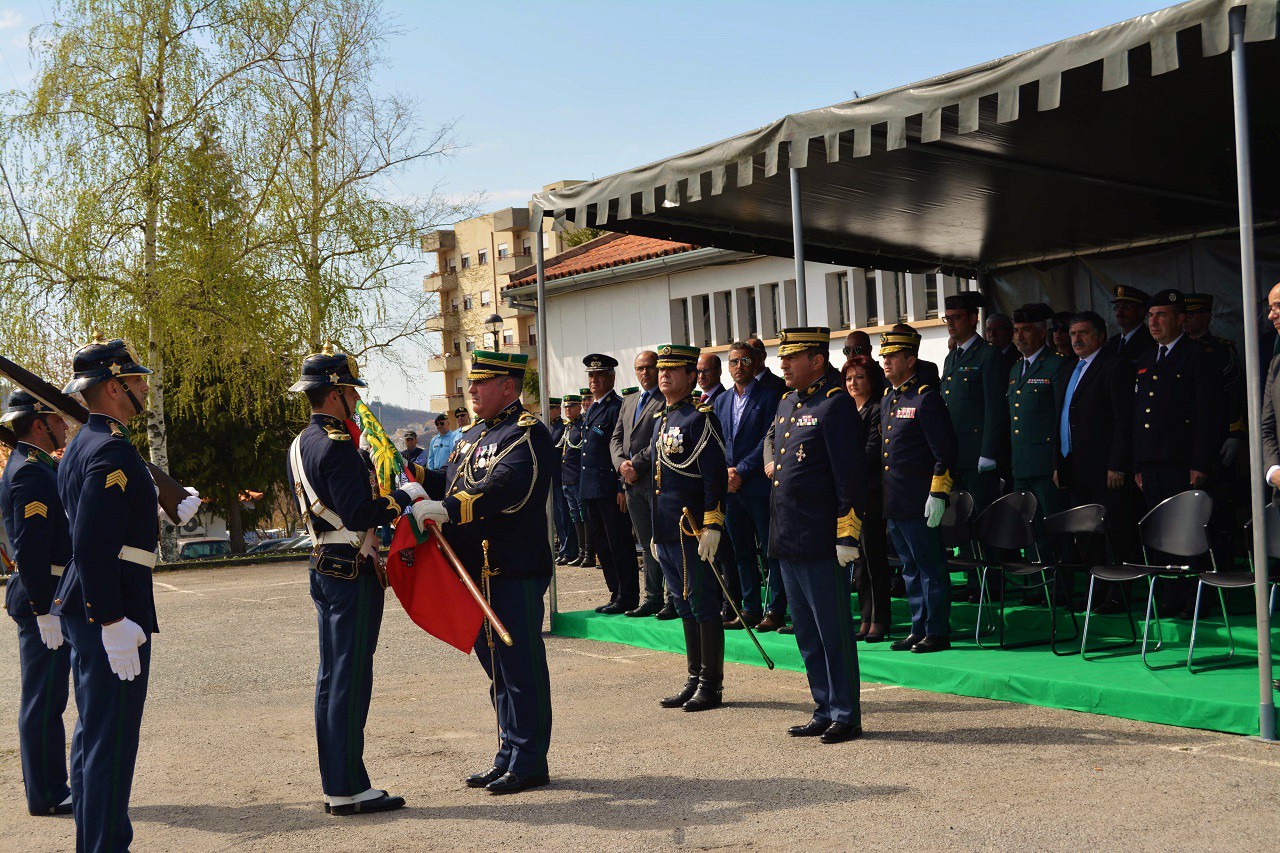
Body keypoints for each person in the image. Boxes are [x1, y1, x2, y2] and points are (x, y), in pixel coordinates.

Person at [53, 336, 201, 847]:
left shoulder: (86, 445)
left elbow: (104, 524)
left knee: (95, 735)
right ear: (115, 387)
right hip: (109, 603)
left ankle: (99, 840)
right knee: (111, 740)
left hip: (95, 598)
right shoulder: (111, 450)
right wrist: (111, 619)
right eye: (138, 380)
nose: (145, 388)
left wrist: (156, 507)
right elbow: (93, 543)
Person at [411, 349, 555, 795]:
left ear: (508, 387)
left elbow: (507, 488)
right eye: (472, 383)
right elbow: (450, 481)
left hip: (511, 568)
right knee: (497, 669)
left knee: (520, 667)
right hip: (473, 572)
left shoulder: (527, 434)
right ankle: (508, 752)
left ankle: (530, 761)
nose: (471, 390)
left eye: (481, 383)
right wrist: (412, 475)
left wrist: (449, 510)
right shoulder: (471, 435)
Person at [286, 344, 418, 816]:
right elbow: (360, 512)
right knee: (349, 678)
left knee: (332, 677)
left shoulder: (302, 441)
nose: (354, 400)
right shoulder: (338, 445)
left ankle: (339, 781)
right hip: (350, 567)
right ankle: (346, 786)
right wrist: (403, 496)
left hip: (324, 562)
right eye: (350, 392)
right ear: (338, 393)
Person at [768, 327, 867, 743]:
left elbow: (851, 476)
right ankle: (823, 706)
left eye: (792, 357)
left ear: (817, 361)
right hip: (788, 534)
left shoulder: (836, 405)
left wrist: (848, 531)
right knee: (807, 632)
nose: (783, 364)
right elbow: (771, 439)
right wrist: (769, 460)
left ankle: (846, 712)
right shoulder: (789, 401)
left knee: (833, 630)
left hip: (821, 536)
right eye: (783, 357)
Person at [1, 391, 73, 817]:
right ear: (38, 424)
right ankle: (46, 793)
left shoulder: (39, 466)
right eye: (56, 419)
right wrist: (43, 608)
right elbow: (29, 547)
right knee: (43, 698)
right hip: (40, 593)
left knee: (47, 696)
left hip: (43, 590)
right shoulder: (29, 473)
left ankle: (48, 787)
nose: (64, 426)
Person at [1132, 289, 1224, 617]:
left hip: (1183, 462)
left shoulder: (1198, 355)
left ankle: (1196, 600)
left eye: (1162, 315)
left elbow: (1209, 415)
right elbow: (1139, 415)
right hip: (1152, 462)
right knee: (1160, 531)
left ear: (1180, 319)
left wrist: (1201, 462)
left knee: (1188, 531)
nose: (1153, 322)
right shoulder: (1145, 358)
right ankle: (1171, 596)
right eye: (1151, 315)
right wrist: (1138, 464)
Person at [647, 344, 729, 711]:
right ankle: (694, 676)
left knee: (701, 603)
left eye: (673, 370)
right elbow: (658, 479)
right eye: (661, 369)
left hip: (692, 528)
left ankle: (711, 684)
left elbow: (714, 478)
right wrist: (654, 531)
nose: (664, 375)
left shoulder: (701, 418)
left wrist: (712, 523)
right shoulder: (661, 418)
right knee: (682, 604)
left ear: (691, 376)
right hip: (667, 528)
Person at [879, 328, 959, 653]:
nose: (885, 361)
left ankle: (937, 631)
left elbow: (946, 451)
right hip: (895, 501)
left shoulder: (926, 398)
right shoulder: (890, 397)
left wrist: (938, 493)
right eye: (884, 356)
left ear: (910, 360)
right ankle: (918, 627)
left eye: (892, 356)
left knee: (930, 567)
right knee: (910, 568)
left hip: (920, 501)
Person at [1055, 311, 1136, 610]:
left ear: (1101, 336)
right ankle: (1095, 592)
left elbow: (1123, 420)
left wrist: (1117, 463)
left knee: (1113, 532)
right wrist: (1058, 463)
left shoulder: (1115, 367)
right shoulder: (1068, 370)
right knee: (1086, 536)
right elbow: (1062, 418)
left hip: (1105, 469)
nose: (1076, 339)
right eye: (1073, 333)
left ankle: (1118, 594)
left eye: (1083, 333)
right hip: (1075, 468)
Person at [715, 341, 786, 631]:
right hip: (731, 489)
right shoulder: (721, 401)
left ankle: (775, 610)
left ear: (754, 362)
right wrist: (726, 473)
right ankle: (750, 608)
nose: (738, 367)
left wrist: (741, 470)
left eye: (744, 361)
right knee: (742, 552)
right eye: (733, 362)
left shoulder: (771, 396)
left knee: (771, 551)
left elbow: (768, 440)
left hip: (758, 484)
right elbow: (717, 441)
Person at [1007, 303, 1069, 580]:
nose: (1019, 336)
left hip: (1046, 464)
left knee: (1050, 525)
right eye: (1016, 331)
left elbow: (1061, 418)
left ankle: (1058, 583)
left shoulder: (1056, 364)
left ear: (1042, 333)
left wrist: (1058, 461)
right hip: (1021, 463)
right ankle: (1036, 582)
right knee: (1027, 525)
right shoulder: (1014, 369)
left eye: (1026, 330)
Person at [1184, 292, 1246, 569]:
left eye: (1195, 314)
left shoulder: (1220, 348)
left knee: (1219, 507)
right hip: (1187, 443)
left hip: (1218, 440)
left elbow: (1234, 393)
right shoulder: (1177, 349)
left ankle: (1224, 568)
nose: (1188, 320)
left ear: (1207, 317)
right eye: (1186, 314)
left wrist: (1235, 433)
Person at [939, 291, 1006, 524]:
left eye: (956, 317)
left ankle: (993, 562)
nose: (950, 324)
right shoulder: (951, 357)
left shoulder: (988, 354)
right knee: (960, 522)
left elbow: (995, 408)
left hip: (977, 455)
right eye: (947, 318)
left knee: (985, 519)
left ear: (973, 318)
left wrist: (988, 452)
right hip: (955, 454)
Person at [580, 354, 638, 613]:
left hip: (609, 487)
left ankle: (627, 595)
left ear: (611, 378)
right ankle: (615, 592)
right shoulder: (592, 407)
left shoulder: (617, 406)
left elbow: (620, 448)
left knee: (619, 543)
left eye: (599, 375)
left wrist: (620, 487)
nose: (594, 380)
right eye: (591, 376)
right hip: (591, 487)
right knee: (602, 544)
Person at [610, 351, 665, 617]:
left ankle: (672, 598)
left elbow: (658, 442)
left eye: (649, 368)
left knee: (662, 540)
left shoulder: (665, 398)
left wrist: (635, 465)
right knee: (645, 542)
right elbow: (616, 438)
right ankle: (652, 598)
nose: (645, 373)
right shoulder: (629, 400)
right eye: (640, 369)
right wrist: (621, 464)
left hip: (654, 479)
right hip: (631, 483)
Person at [842, 357, 891, 641]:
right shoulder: (846, 410)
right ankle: (865, 617)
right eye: (849, 378)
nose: (853, 383)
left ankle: (880, 619)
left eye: (859, 377)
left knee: (873, 558)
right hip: (850, 493)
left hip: (871, 492)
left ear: (870, 380)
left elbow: (873, 450)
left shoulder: (877, 409)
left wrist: (842, 464)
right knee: (858, 560)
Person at [558, 394, 587, 565]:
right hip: (566, 478)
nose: (567, 410)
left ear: (578, 408)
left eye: (571, 407)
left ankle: (585, 552)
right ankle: (580, 551)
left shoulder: (581, 426)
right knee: (574, 516)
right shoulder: (568, 427)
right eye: (566, 407)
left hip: (577, 478)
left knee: (583, 516)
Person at [546, 398, 575, 564]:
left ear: (557, 410)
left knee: (565, 517)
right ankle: (564, 548)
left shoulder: (561, 427)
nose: (548, 412)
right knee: (557, 518)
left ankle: (569, 550)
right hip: (552, 478)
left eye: (551, 409)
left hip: (561, 476)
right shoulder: (548, 426)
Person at [1106, 284, 1157, 365]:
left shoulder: (1151, 341)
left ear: (1141, 311)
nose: (1119, 311)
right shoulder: (1112, 343)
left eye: (1126, 307)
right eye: (1117, 306)